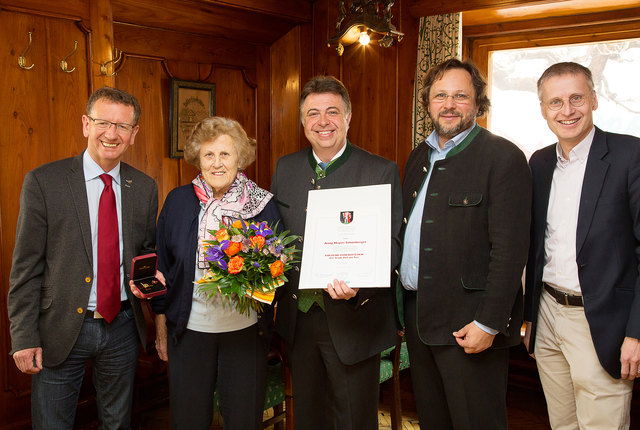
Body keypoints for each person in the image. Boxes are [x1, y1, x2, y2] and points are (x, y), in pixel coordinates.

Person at [8, 87, 158, 429]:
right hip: (60, 327)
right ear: (85, 124)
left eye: (122, 126)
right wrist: (24, 337)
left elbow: (146, 255)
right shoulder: (45, 182)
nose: (111, 133)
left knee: (117, 423)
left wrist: (154, 278)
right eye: (103, 122)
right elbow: (26, 268)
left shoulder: (145, 187)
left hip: (122, 327)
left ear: (134, 134)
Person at [399, 58, 531, 429]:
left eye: (460, 95)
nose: (449, 104)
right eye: (440, 95)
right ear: (427, 102)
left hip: (468, 324)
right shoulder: (418, 156)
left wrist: (489, 323)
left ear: (478, 103)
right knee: (432, 420)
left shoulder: (503, 157)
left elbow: (510, 250)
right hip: (419, 317)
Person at [271, 75, 402, 430]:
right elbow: (274, 237)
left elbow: (392, 243)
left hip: (354, 318)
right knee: (309, 418)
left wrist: (362, 282)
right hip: (299, 320)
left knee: (353, 420)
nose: (323, 122)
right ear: (303, 122)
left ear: (348, 118)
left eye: (332, 112)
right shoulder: (286, 167)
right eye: (313, 113)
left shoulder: (380, 170)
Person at [524, 62, 640, 429]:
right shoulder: (539, 162)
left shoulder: (629, 156)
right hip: (547, 314)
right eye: (555, 102)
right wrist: (529, 318)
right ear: (543, 110)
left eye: (576, 98)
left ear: (593, 99)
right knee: (562, 425)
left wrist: (637, 333)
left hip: (602, 320)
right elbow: (535, 245)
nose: (567, 110)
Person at [145, 117, 279, 430]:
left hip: (245, 332)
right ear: (198, 159)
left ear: (240, 158)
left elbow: (279, 268)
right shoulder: (178, 201)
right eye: (209, 155)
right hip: (189, 331)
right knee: (189, 419)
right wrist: (162, 328)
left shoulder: (262, 204)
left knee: (243, 420)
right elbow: (162, 265)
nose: (216, 163)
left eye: (225, 154)